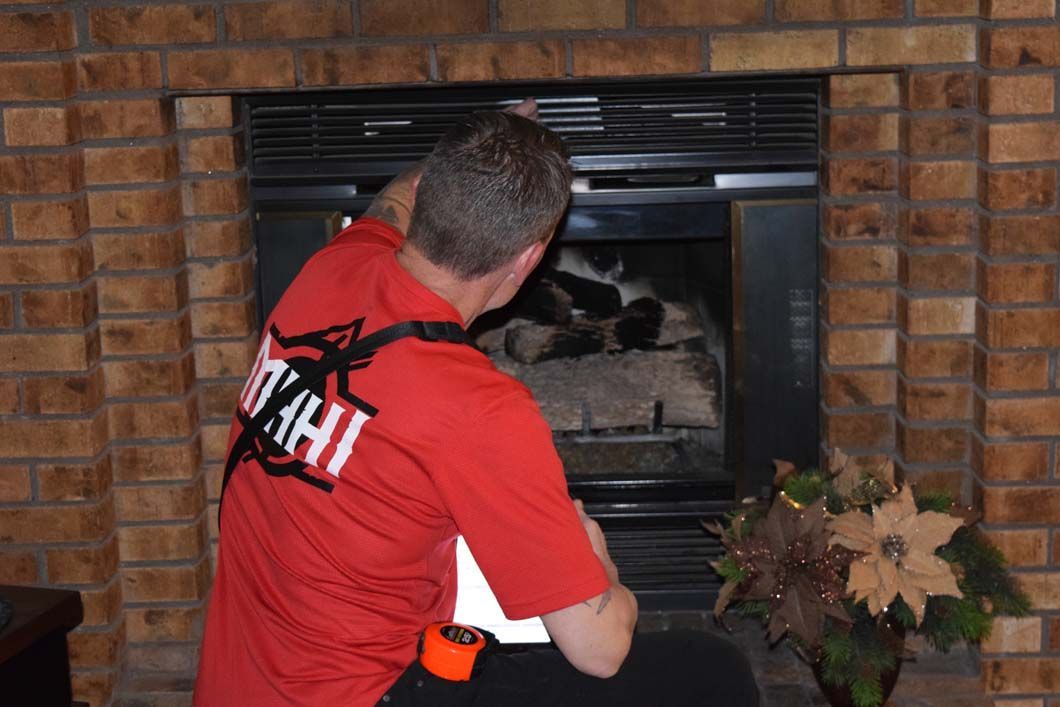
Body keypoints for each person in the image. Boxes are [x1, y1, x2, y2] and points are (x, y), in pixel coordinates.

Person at [194, 100, 759, 707]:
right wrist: (604, 571)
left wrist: (475, 146)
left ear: (432, 196)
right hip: (364, 694)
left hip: (238, 681)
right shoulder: (479, 409)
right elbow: (601, 650)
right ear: (529, 259)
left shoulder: (332, 266)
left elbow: (393, 198)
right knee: (713, 670)